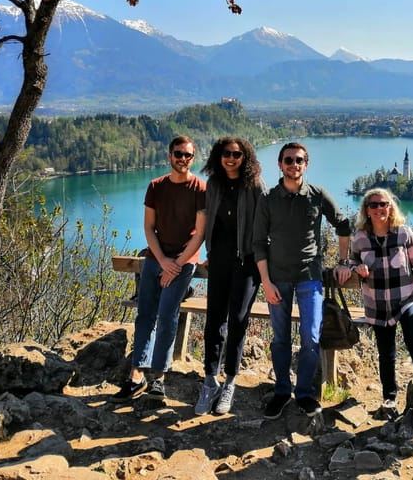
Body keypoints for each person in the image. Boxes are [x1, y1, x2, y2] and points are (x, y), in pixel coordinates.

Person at [253, 142, 351, 419]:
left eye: (298, 160)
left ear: (306, 165)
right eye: (288, 160)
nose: (293, 165)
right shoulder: (268, 199)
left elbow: (343, 225)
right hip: (278, 278)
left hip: (310, 276)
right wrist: (266, 282)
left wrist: (344, 262)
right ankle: (282, 391)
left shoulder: (317, 196)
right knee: (280, 338)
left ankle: (304, 392)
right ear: (280, 164)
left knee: (310, 337)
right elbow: (259, 244)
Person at [112, 135, 206, 402]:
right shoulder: (156, 187)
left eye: (188, 155)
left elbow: (199, 234)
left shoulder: (200, 188)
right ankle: (136, 375)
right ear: (169, 156)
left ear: (193, 158)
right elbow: (148, 228)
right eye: (178, 154)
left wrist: (175, 265)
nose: (183, 159)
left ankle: (159, 378)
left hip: (184, 261)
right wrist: (163, 261)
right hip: (157, 260)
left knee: (166, 316)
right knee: (145, 314)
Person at [334, 188, 413, 412]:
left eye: (383, 204)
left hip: (407, 299)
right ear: (367, 211)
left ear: (390, 207)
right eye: (374, 205)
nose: (379, 208)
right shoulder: (359, 238)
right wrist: (355, 268)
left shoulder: (404, 233)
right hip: (377, 304)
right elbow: (351, 262)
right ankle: (389, 396)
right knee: (386, 352)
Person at [194, 137, 265, 415]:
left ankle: (231, 381)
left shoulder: (254, 186)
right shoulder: (213, 185)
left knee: (237, 320)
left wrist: (261, 258)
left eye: (237, 154)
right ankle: (210, 379)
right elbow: (207, 221)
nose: (231, 158)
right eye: (226, 154)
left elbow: (264, 223)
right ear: (218, 156)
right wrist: (207, 251)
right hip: (219, 262)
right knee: (214, 320)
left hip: (246, 263)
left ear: (245, 157)